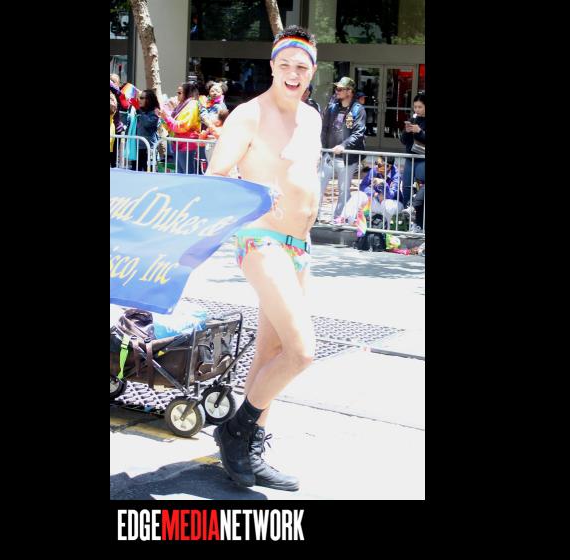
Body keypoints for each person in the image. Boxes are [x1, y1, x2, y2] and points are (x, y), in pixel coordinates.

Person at [205, 25, 321, 492]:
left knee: (272, 353)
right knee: (302, 351)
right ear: (272, 66)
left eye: (302, 67)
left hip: (300, 247)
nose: (293, 73)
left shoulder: (311, 118)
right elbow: (216, 175)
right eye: (285, 64)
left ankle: (248, 449)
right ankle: (235, 431)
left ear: (312, 72)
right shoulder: (249, 115)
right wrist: (251, 191)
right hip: (261, 240)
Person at [318, 77, 366, 224]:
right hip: (328, 155)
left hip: (346, 158)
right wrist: (322, 148)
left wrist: (343, 146)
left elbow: (358, 133)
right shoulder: (332, 107)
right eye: (336, 89)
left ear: (349, 91)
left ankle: (338, 218)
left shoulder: (358, 109)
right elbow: (324, 129)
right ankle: (313, 216)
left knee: (343, 190)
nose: (336, 91)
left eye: (340, 89)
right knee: (318, 185)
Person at [340, 157, 403, 228]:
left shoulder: (396, 175)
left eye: (379, 165)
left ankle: (386, 228)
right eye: (376, 163)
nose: (376, 166)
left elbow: (391, 195)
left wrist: (383, 184)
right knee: (359, 195)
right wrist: (375, 194)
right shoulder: (375, 170)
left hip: (394, 204)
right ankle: (344, 220)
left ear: (388, 166)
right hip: (378, 201)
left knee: (386, 204)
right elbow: (362, 186)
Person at [160, 82, 201, 174]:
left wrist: (166, 117)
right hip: (178, 144)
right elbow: (170, 127)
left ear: (187, 93)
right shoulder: (181, 105)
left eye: (179, 93)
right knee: (180, 173)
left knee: (187, 174)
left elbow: (182, 126)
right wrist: (164, 117)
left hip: (187, 144)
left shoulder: (192, 104)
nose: (177, 95)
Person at [400, 91, 425, 208]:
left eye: (420, 107)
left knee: (420, 187)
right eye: (415, 107)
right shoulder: (412, 119)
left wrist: (419, 132)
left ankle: (418, 213)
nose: (417, 110)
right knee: (406, 187)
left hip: (422, 159)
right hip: (410, 158)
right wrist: (407, 131)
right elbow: (403, 140)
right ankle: (407, 211)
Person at [128, 89, 161, 172]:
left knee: (148, 172)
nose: (139, 100)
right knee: (135, 172)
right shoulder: (141, 111)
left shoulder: (155, 111)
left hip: (148, 148)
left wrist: (138, 110)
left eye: (142, 98)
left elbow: (147, 123)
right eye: (139, 97)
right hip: (137, 147)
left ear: (149, 100)